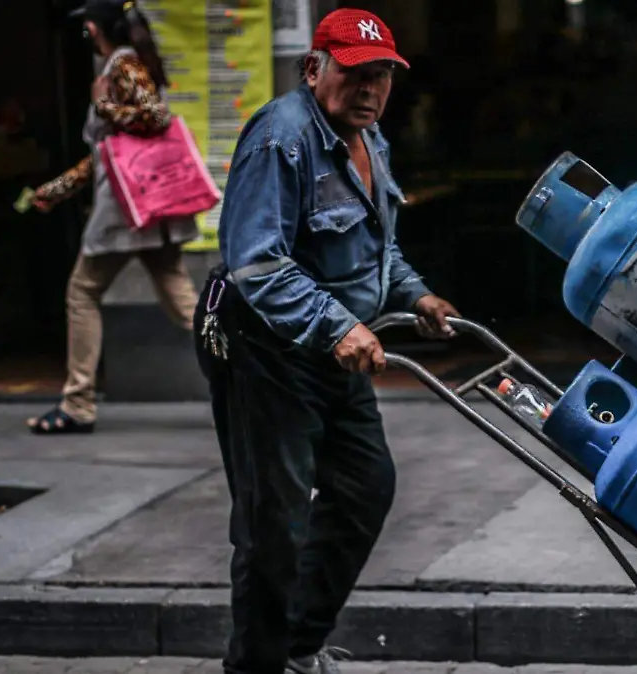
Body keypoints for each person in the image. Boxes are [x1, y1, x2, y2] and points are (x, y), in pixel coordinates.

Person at [193, 9, 460, 674]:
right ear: (315, 69)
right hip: (264, 343)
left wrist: (417, 296)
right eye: (353, 72)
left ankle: (297, 646)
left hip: (329, 343)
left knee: (366, 485)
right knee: (273, 519)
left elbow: (377, 253)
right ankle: (258, 665)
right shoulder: (281, 137)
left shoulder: (372, 142)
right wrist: (340, 325)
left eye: (381, 76)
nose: (369, 88)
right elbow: (258, 263)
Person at [27, 0, 200, 434]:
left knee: (82, 293)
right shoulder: (127, 65)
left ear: (93, 29)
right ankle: (259, 377)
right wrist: (56, 191)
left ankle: (78, 403)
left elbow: (155, 117)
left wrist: (104, 107)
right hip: (148, 208)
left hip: (127, 210)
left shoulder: (121, 67)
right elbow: (109, 154)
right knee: (186, 306)